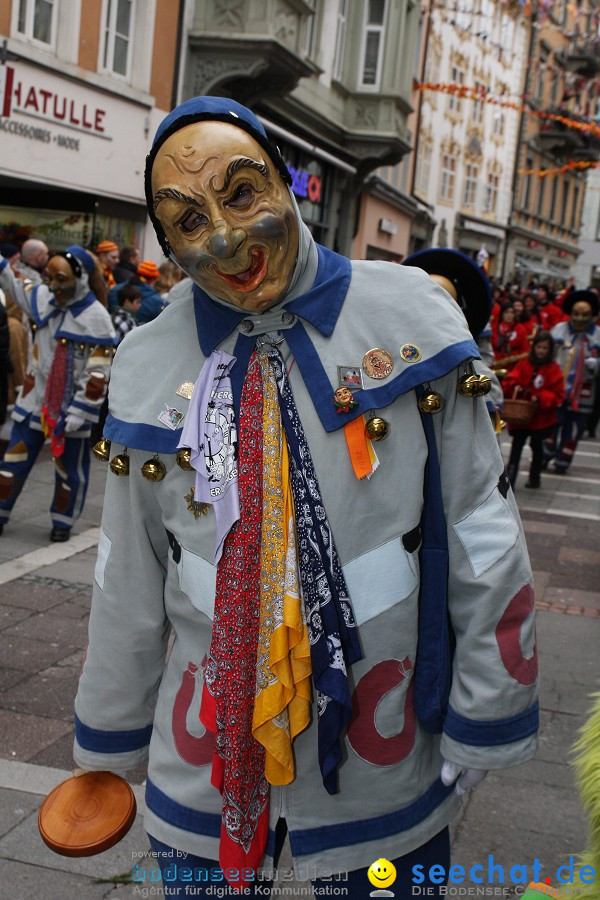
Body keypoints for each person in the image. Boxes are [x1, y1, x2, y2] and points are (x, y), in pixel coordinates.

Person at [73, 97, 538, 898]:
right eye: (187, 221)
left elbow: (481, 531)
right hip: (202, 767)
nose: (225, 238)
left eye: (242, 193)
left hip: (381, 762)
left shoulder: (413, 317)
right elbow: (127, 580)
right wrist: (108, 749)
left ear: (288, 185)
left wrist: (487, 707)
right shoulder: (148, 361)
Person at [0, 245, 116, 540]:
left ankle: (62, 522)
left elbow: (98, 372)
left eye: (60, 280)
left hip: (71, 412)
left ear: (80, 278)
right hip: (33, 402)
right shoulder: (44, 298)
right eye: (49, 278)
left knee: (70, 473)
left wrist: (80, 411)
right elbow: (13, 280)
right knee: (12, 463)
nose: (53, 286)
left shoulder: (97, 319)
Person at [543, 290, 600, 473]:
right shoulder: (559, 329)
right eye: (576, 314)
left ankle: (563, 460)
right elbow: (546, 354)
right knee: (551, 423)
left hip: (583, 390)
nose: (580, 319)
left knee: (574, 428)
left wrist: (597, 363)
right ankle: (545, 454)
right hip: (557, 386)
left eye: (585, 315)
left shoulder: (598, 334)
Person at [502, 332, 565, 489]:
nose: (541, 351)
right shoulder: (524, 363)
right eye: (539, 347)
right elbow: (511, 379)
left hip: (541, 418)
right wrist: (515, 385)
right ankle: (511, 480)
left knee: (537, 446)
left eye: (545, 348)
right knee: (516, 446)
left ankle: (534, 477)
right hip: (521, 415)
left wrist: (541, 397)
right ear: (533, 347)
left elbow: (558, 393)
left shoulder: (554, 369)